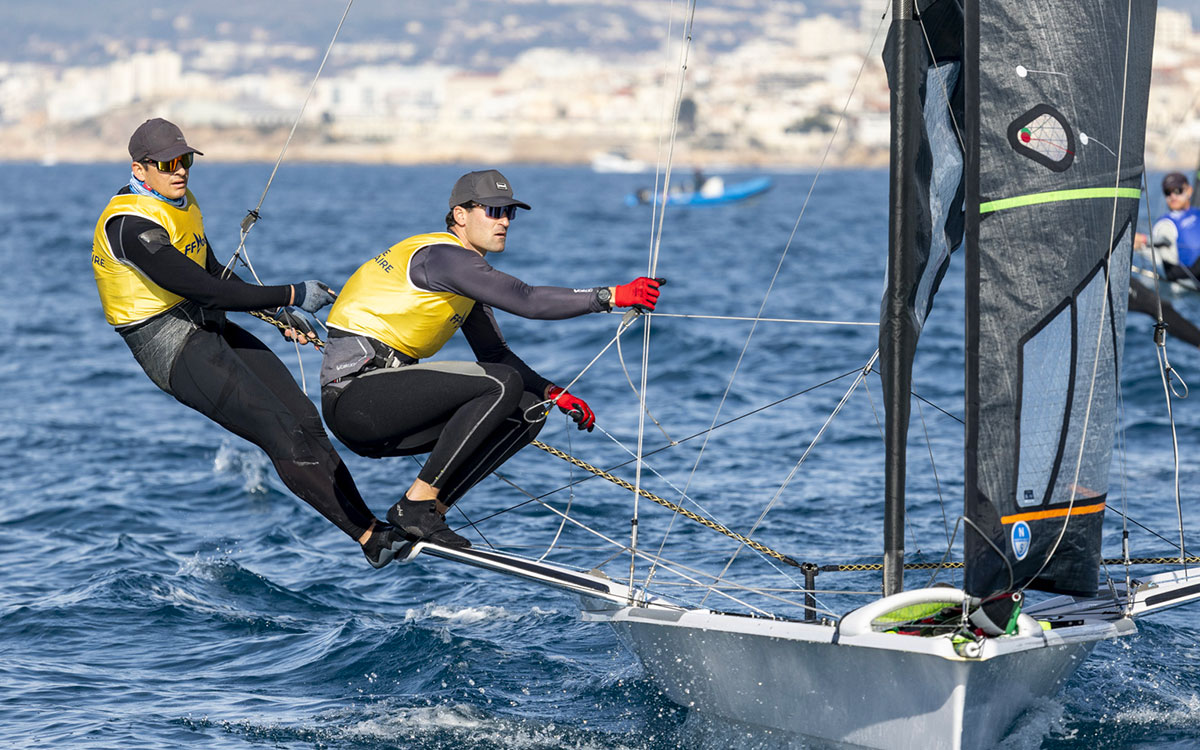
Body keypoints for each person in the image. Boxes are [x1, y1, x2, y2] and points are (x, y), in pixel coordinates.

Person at [91, 118, 409, 569]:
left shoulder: (180, 201)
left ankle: (373, 525)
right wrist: (291, 293)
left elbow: (214, 270)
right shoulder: (129, 225)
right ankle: (369, 538)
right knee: (280, 434)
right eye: (167, 164)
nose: (179, 171)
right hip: (171, 345)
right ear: (140, 170)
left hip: (207, 322)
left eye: (185, 160)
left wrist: (277, 315)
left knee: (304, 420)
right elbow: (207, 290)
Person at [320, 169, 663, 549]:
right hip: (354, 399)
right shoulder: (443, 257)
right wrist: (610, 296)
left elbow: (494, 352)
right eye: (493, 211)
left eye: (509, 213)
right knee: (501, 383)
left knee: (530, 408)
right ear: (460, 215)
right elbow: (527, 299)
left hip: (384, 410)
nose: (503, 222)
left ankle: (430, 512)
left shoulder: (465, 277)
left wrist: (551, 391)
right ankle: (414, 506)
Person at [1135, 172, 1200, 283]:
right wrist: (1143, 239)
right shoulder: (1166, 223)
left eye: (1178, 190)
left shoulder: (1196, 212)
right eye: (1167, 192)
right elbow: (1163, 240)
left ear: (1189, 191)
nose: (1172, 196)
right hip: (1188, 276)